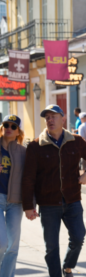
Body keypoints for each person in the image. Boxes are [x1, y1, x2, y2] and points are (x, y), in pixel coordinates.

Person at [21, 104, 86, 277]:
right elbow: (28, 178)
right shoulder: (35, 146)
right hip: (48, 204)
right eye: (47, 117)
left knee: (78, 238)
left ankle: (68, 266)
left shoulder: (76, 141)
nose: (50, 120)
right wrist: (28, 205)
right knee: (51, 247)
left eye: (53, 116)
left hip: (72, 200)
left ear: (63, 119)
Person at [0, 115, 26, 277]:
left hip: (16, 202)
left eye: (13, 126)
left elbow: (30, 180)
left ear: (18, 132)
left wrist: (31, 205)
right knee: (2, 243)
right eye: (6, 125)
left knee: (12, 247)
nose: (9, 128)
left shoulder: (24, 152)